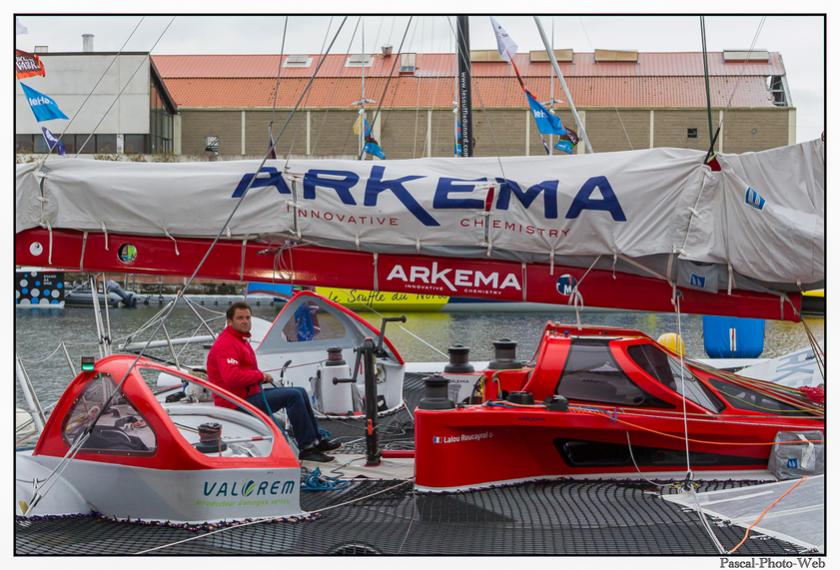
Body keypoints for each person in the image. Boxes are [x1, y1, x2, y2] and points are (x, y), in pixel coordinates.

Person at [206, 301, 340, 462]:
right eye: (240, 318)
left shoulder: (240, 340)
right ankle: (307, 448)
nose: (245, 321)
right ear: (229, 322)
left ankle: (316, 440)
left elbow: (242, 372)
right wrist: (260, 376)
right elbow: (231, 377)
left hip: (249, 395)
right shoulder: (226, 344)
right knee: (293, 396)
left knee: (300, 391)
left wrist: (258, 377)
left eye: (248, 317)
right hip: (236, 403)